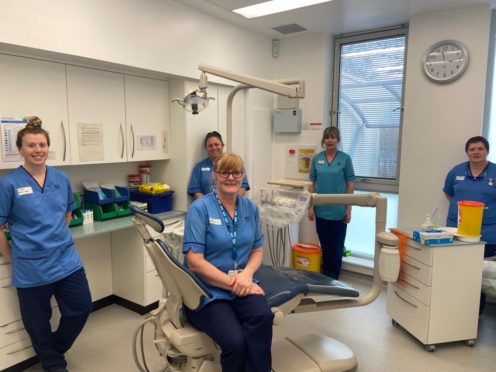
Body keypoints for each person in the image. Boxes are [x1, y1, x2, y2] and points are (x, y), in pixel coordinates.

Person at [0, 117, 92, 372]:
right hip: (31, 267)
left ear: (48, 147)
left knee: (81, 308)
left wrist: (55, 235)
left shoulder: (61, 178)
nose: (38, 150)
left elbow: (68, 213)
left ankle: (53, 348)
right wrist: (11, 256)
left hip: (66, 260)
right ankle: (53, 364)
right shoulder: (8, 184)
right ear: (20, 149)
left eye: (42, 144)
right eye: (31, 145)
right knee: (37, 322)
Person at [182, 153, 273, 372]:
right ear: (215, 176)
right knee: (235, 342)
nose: (230, 177)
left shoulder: (250, 209)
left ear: (243, 176)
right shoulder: (200, 209)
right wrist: (237, 283)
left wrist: (246, 275)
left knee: (263, 317)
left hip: (241, 283)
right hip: (206, 292)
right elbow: (194, 262)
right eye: (225, 172)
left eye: (236, 172)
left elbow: (257, 250)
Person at [443, 135, 496, 313]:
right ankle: (456, 309)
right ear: (467, 152)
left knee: (479, 273)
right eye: (472, 149)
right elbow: (449, 194)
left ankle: (475, 314)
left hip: (488, 233)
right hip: (457, 230)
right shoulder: (456, 171)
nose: (476, 152)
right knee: (458, 270)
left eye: (480, 148)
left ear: (487, 151)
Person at [308, 126, 355, 279]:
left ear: (338, 140)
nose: (330, 140)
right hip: (321, 210)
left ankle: (334, 278)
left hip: (338, 211)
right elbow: (312, 184)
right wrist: (311, 207)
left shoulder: (345, 159)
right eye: (327, 137)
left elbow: (350, 184)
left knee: (336, 247)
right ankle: (325, 276)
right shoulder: (317, 159)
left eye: (333, 137)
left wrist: (349, 209)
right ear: (324, 140)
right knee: (325, 245)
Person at [187, 131, 250, 200]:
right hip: (208, 208)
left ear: (222, 145)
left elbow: (243, 186)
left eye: (216, 144)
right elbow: (196, 190)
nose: (214, 148)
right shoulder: (199, 167)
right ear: (206, 149)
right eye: (210, 146)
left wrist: (230, 203)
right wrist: (208, 206)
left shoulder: (234, 163)